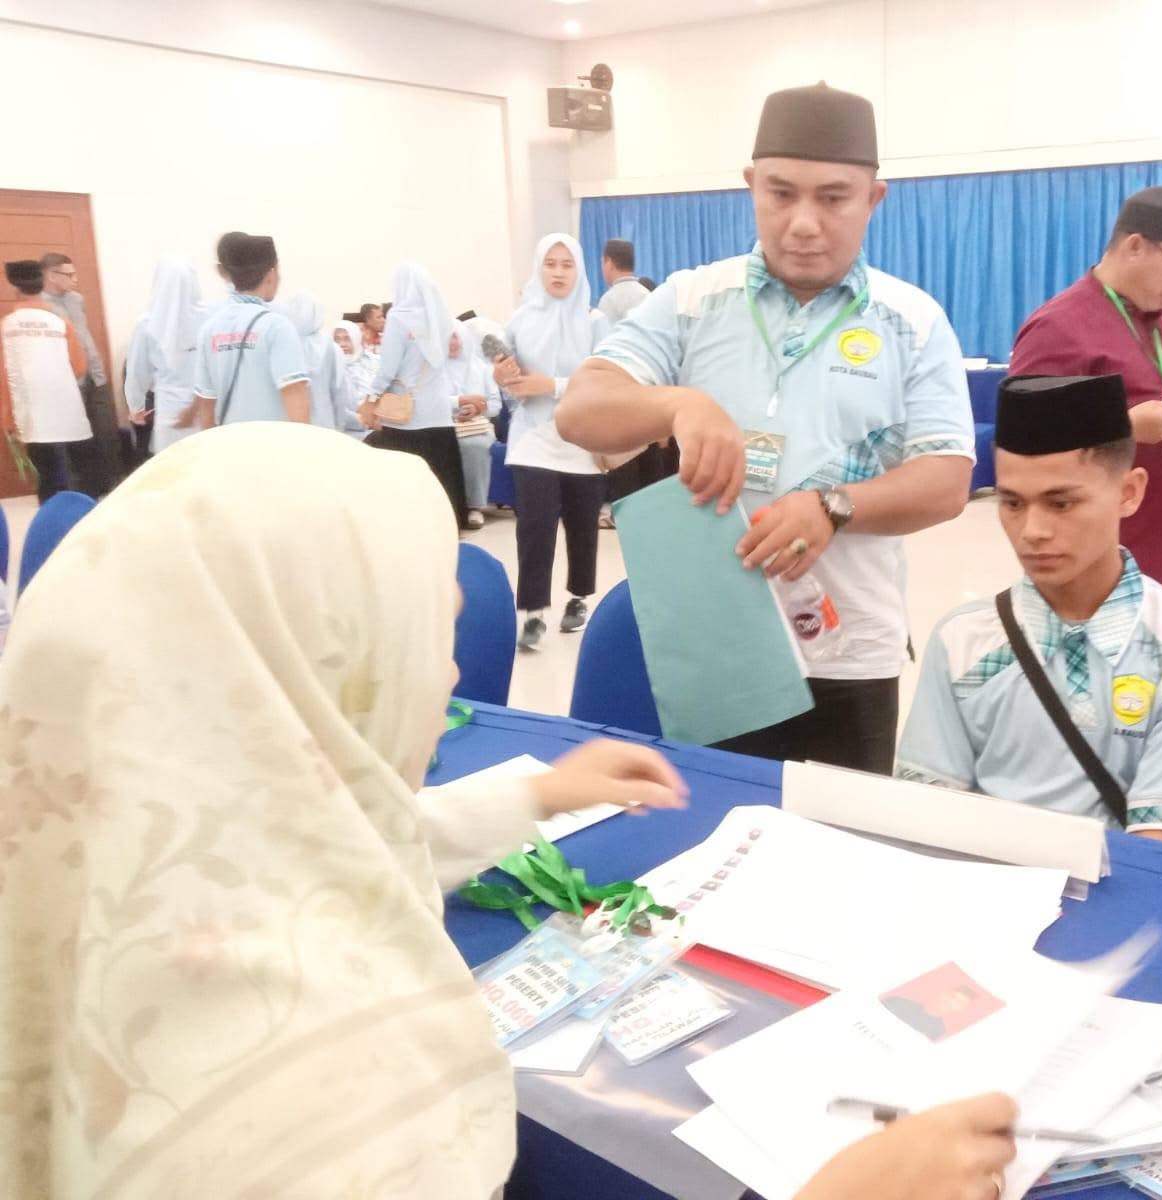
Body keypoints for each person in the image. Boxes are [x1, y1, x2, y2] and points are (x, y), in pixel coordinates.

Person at [0, 419, 1016, 1200]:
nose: (449, 680)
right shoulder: (325, 1099)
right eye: (425, 639)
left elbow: (314, 847)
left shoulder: (112, 851)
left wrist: (531, 795)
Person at [558, 83, 975, 773]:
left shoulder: (913, 321)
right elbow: (580, 410)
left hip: (848, 652)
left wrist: (834, 507)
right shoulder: (693, 300)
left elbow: (947, 480)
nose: (804, 223)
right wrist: (678, 405)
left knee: (832, 833)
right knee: (709, 824)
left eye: (833, 198)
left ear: (874, 199)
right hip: (714, 644)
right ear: (752, 186)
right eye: (781, 194)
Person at [897, 375, 1162, 843]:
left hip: (1120, 885)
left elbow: (1159, 846)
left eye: (1061, 503)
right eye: (1012, 503)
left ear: (1129, 493)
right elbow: (929, 812)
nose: (1032, 531)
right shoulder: (962, 642)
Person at [1009, 187, 1162, 596]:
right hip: (1092, 553)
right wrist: (1124, 426)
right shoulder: (1059, 325)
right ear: (1135, 246)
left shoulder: (1157, 319)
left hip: (1158, 540)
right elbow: (1021, 435)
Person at [497, 233, 611, 648]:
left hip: (581, 439)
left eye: (567, 264)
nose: (558, 272)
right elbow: (512, 385)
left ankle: (579, 597)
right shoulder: (520, 321)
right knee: (534, 527)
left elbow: (606, 381)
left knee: (582, 525)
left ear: (579, 269)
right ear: (538, 268)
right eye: (550, 263)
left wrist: (553, 385)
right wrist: (504, 378)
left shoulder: (596, 322)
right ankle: (532, 613)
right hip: (532, 437)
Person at [360, 262, 470, 529]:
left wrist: (371, 399)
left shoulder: (398, 319)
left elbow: (388, 369)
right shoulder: (440, 317)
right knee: (442, 478)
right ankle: (448, 527)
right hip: (439, 413)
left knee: (409, 487)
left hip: (406, 417)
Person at [187, 232, 310, 429]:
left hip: (229, 443)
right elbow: (294, 394)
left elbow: (207, 405)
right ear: (271, 275)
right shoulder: (277, 327)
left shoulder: (209, 330)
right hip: (273, 443)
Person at [1, 259, 96, 503]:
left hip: (31, 413)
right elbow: (79, 368)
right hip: (67, 409)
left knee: (46, 472)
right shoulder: (61, 323)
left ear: (14, 288)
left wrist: (8, 417)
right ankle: (82, 511)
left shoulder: (6, 327)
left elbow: (6, 377)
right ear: (42, 285)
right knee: (78, 469)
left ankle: (51, 512)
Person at [38, 251, 118, 495]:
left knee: (106, 433)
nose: (75, 279)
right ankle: (83, 493)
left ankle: (110, 488)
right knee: (77, 440)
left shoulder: (77, 300)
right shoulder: (41, 306)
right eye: (69, 275)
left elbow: (83, 335)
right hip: (70, 382)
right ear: (52, 276)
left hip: (96, 376)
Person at [124, 257, 207, 454]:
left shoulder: (147, 323)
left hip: (171, 410)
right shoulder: (209, 318)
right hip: (207, 408)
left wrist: (136, 407)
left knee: (172, 465)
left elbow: (136, 372)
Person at [446, 319, 502, 529]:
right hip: (444, 424)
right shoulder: (434, 369)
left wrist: (478, 409)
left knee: (474, 446)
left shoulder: (482, 368)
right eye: (446, 337)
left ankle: (474, 507)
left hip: (477, 426)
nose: (452, 342)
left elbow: (495, 404)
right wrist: (457, 405)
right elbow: (430, 402)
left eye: (455, 336)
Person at [278, 292, 345, 430]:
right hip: (324, 419)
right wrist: (340, 423)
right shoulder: (328, 344)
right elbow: (337, 387)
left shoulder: (283, 341)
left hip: (290, 418)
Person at [597, 237, 650, 323]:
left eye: (602, 262)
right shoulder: (647, 294)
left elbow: (604, 331)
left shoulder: (608, 300)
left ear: (609, 263)